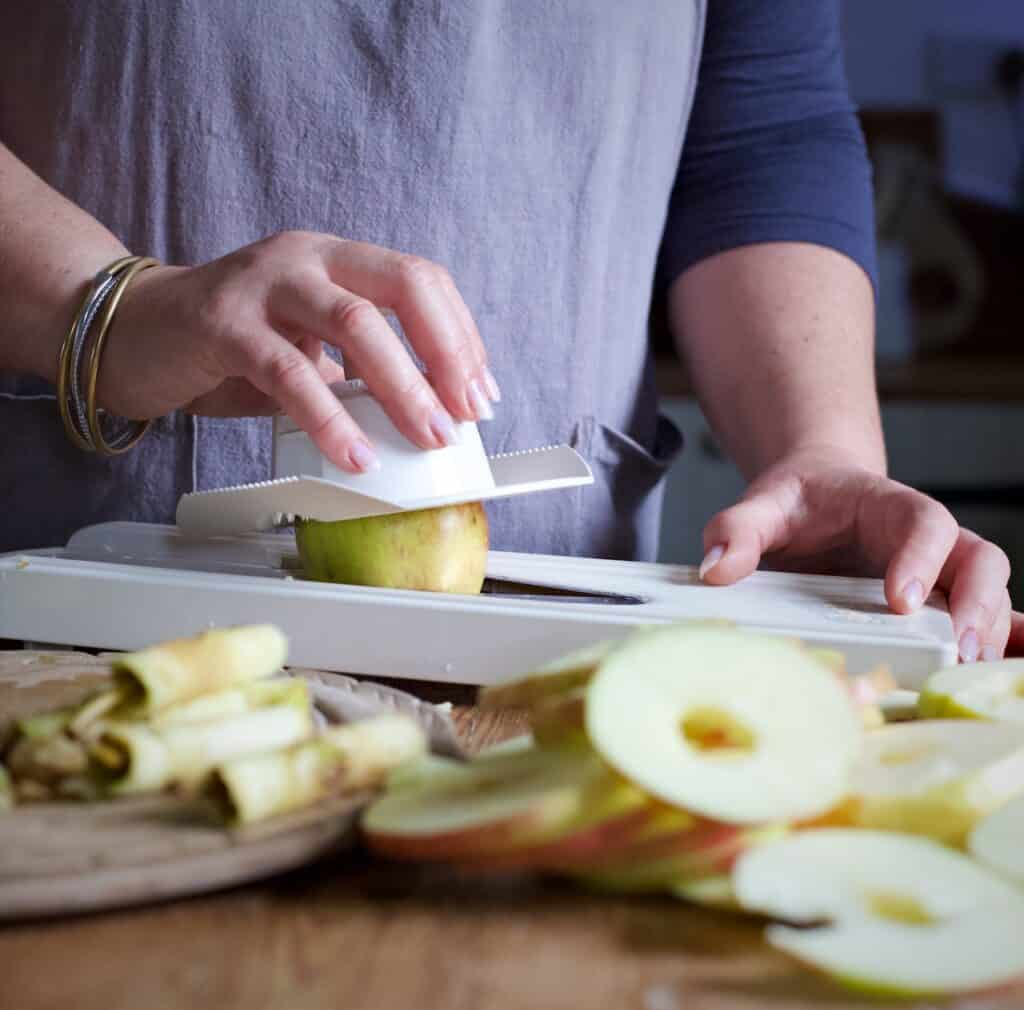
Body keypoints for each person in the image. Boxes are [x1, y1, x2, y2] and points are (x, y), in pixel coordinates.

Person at [1, 1, 1020, 659]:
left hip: (564, 649)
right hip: (63, 595)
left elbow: (760, 133)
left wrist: (822, 449)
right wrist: (100, 308)